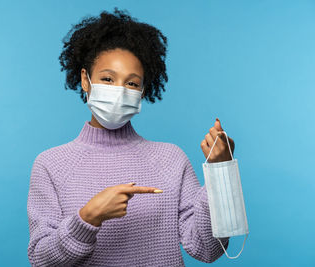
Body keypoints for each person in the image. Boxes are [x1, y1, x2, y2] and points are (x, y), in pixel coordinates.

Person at [27, 7, 235, 267]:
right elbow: (42, 259)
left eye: (132, 83)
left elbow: (208, 249)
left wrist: (220, 172)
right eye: (107, 79)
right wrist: (89, 217)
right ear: (85, 80)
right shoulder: (51, 164)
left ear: (142, 91)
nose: (119, 91)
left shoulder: (170, 158)